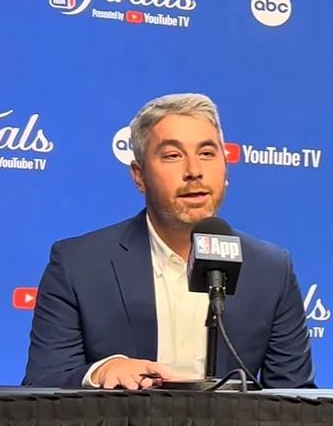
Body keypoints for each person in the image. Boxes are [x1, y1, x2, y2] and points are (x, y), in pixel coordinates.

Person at [22, 93, 315, 389]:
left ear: (226, 166)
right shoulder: (78, 264)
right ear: (139, 175)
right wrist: (99, 372)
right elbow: (41, 384)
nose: (194, 171)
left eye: (207, 153)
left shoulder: (271, 269)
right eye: (173, 156)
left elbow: (294, 398)